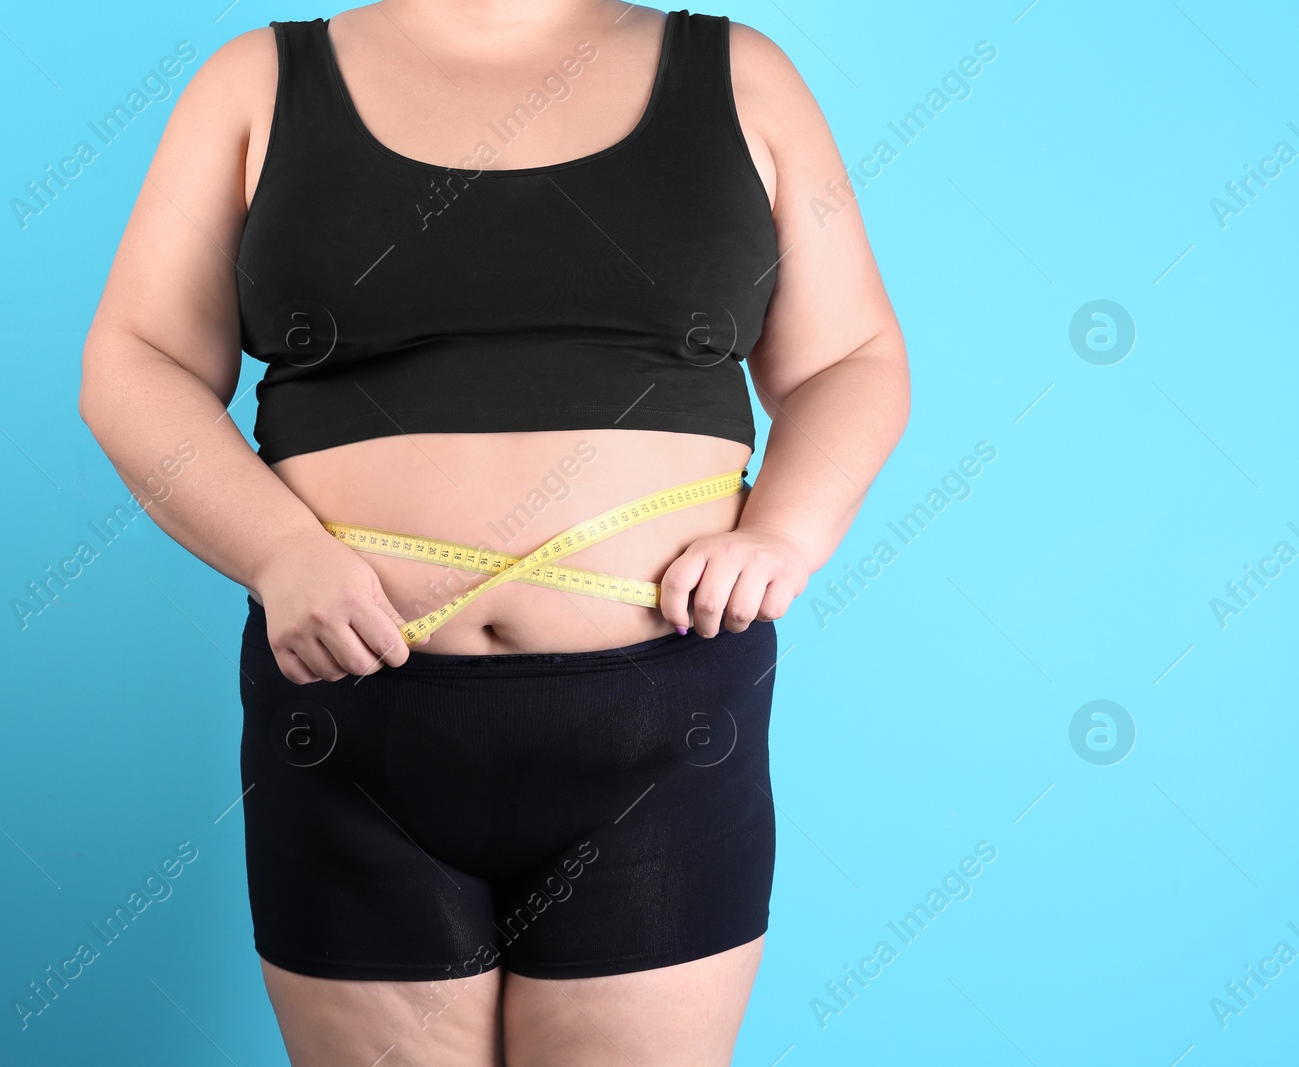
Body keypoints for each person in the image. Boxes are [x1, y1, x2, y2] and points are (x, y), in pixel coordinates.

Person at [78, 1, 909, 1063]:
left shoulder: (741, 74)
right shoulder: (255, 83)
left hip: (664, 733)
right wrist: (275, 551)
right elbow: (135, 359)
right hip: (349, 728)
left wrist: (785, 532)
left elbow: (851, 358)